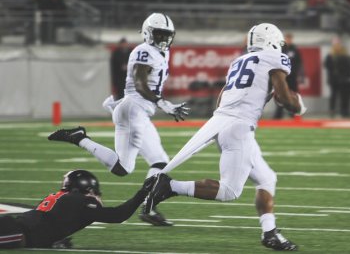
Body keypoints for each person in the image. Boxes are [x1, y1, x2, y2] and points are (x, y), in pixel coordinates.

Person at [145, 23, 306, 251]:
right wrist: (298, 106)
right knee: (229, 191)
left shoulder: (239, 61)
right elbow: (285, 98)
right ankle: (170, 186)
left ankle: (270, 233)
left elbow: (222, 99)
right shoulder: (274, 58)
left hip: (223, 123)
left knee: (267, 178)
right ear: (271, 41)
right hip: (239, 128)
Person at [47, 13, 189, 226]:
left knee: (160, 162)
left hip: (139, 111)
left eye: (166, 35)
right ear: (149, 33)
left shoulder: (162, 52)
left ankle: (148, 208)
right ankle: (80, 138)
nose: (163, 39)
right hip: (134, 110)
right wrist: (163, 103)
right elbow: (140, 85)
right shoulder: (144, 50)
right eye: (159, 34)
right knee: (123, 168)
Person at [0, 169, 155, 249]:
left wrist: (53, 242)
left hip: (13, 228)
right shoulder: (80, 201)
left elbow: (44, 226)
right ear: (87, 189)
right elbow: (118, 215)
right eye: (95, 193)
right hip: (14, 232)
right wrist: (143, 193)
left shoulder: (63, 199)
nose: (97, 197)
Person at [273, 32, 304, 119]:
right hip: (282, 77)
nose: (288, 40)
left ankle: (294, 113)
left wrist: (297, 73)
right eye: (287, 38)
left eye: (290, 39)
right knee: (280, 95)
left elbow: (299, 63)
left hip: (292, 77)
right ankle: (278, 115)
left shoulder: (295, 50)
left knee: (294, 95)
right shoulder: (281, 49)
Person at [324, 40, 350, 118]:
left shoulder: (343, 56)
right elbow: (326, 65)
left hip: (342, 79)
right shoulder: (330, 56)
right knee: (334, 95)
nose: (337, 47)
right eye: (336, 45)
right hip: (333, 79)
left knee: (343, 96)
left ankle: (343, 111)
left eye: (338, 45)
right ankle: (332, 110)